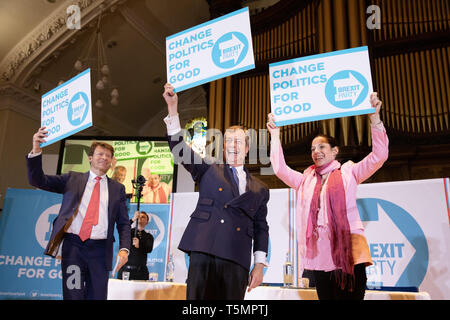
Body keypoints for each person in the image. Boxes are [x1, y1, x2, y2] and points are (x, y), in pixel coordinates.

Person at [267, 92, 389, 300]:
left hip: (349, 249)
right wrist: (275, 135)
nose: (316, 151)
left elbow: (379, 156)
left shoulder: (349, 172)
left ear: (335, 151)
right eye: (313, 148)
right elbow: (280, 169)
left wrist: (374, 119)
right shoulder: (305, 179)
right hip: (321, 255)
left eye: (322, 146)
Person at [162, 83, 270, 300]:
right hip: (204, 249)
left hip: (236, 256)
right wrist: (173, 109)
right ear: (223, 147)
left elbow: (261, 228)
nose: (233, 145)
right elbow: (179, 150)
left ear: (247, 148)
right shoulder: (208, 169)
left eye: (238, 141)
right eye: (229, 140)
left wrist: (259, 265)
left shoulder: (260, 189)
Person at [26, 131, 130, 300]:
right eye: (100, 154)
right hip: (74, 248)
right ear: (90, 158)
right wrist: (36, 148)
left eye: (108, 156)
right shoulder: (72, 179)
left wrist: (124, 250)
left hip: (100, 251)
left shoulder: (117, 189)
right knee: (72, 295)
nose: (104, 157)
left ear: (111, 161)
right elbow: (38, 180)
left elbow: (124, 223)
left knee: (97, 296)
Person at [118, 211, 154, 280]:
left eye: (143, 217)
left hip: (140, 272)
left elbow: (149, 249)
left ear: (147, 222)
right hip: (126, 270)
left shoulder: (148, 236)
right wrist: (133, 219)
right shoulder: (129, 232)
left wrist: (139, 245)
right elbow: (122, 228)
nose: (140, 218)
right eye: (139, 216)